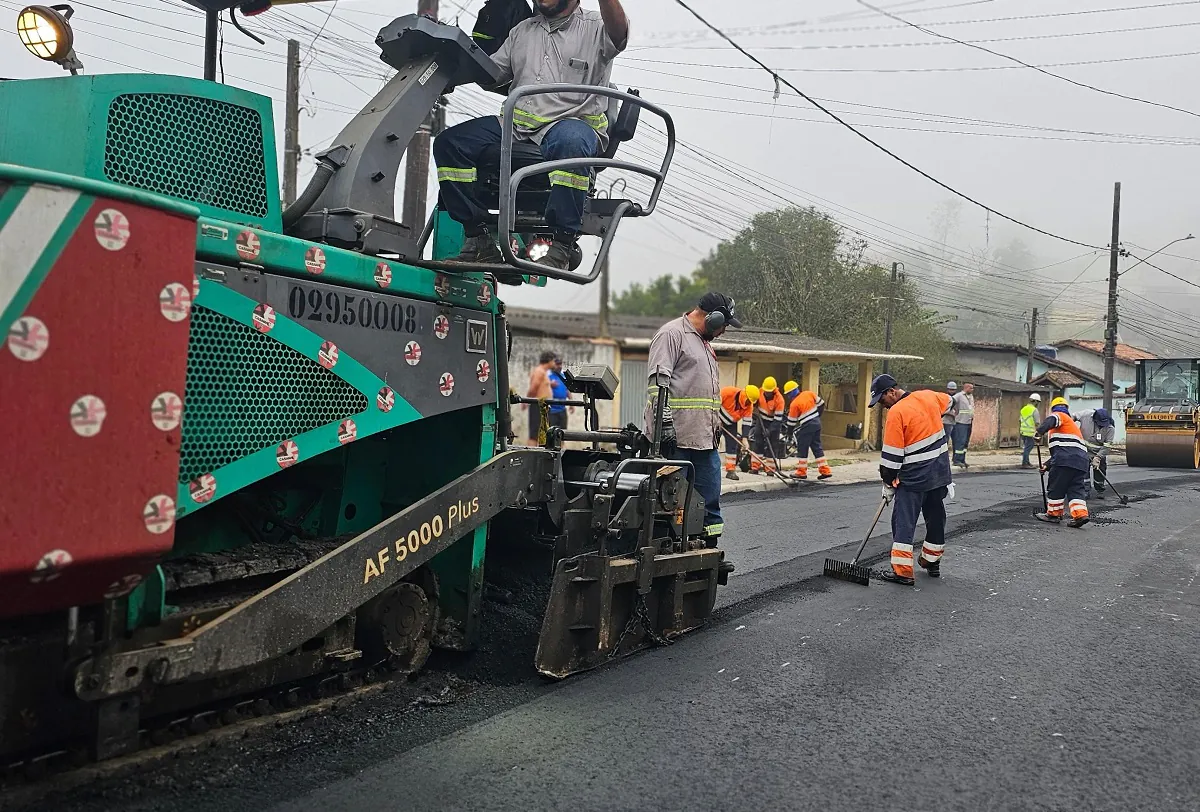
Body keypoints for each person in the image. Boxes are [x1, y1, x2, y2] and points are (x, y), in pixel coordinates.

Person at [433, 0, 630, 270]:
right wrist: (449, 66)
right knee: (450, 144)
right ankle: (479, 240)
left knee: (571, 142)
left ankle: (561, 243)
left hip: (568, 123)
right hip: (515, 127)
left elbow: (619, 34)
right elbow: (492, 74)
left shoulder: (597, 28)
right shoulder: (522, 31)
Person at [645, 293, 743, 545]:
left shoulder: (704, 344)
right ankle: (670, 550)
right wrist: (664, 423)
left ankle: (707, 551)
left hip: (704, 440)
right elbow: (658, 384)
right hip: (675, 440)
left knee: (709, 501)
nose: (723, 331)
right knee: (671, 502)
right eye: (724, 325)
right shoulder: (672, 335)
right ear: (714, 318)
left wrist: (716, 424)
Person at [869, 373, 953, 586]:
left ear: (892, 392)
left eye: (882, 399)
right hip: (940, 472)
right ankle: (932, 561)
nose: (882, 404)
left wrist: (888, 482)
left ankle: (903, 571)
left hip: (915, 478)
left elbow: (891, 457)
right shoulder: (928, 396)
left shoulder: (897, 412)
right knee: (936, 516)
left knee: (903, 521)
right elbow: (950, 401)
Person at [1033, 397, 1090, 528]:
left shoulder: (1060, 416)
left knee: (1056, 486)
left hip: (1065, 461)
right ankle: (1080, 515)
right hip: (1081, 463)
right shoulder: (1071, 426)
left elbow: (1052, 420)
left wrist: (1039, 432)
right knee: (1076, 489)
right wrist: (1047, 465)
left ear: (1053, 409)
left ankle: (1053, 514)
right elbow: (1067, 450)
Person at [785, 388, 832, 480]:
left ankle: (801, 472)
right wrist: (817, 416)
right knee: (817, 447)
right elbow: (822, 404)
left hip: (807, 426)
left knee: (802, 447)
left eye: (788, 394)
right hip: (817, 424)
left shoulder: (794, 404)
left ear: (791, 394)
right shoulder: (808, 393)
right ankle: (825, 471)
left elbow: (791, 422)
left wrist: (789, 433)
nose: (787, 396)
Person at [1073, 406, 1116, 499]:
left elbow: (1107, 446)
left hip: (1099, 453)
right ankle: (1085, 491)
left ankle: (1100, 489)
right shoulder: (1086, 415)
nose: (1101, 425)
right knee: (1084, 471)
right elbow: (1073, 417)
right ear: (1094, 419)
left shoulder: (1110, 428)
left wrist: (1098, 457)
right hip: (1083, 450)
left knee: (1100, 471)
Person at [719, 384, 760, 481]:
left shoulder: (749, 406)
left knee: (732, 446)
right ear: (744, 395)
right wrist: (715, 419)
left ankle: (730, 470)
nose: (748, 403)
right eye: (748, 400)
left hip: (731, 423)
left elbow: (746, 423)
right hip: (717, 420)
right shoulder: (728, 392)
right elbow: (715, 405)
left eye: (750, 402)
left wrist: (745, 439)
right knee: (712, 443)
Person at [750, 376, 786, 474]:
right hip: (761, 420)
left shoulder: (779, 400)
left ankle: (770, 469)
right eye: (765, 390)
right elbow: (753, 401)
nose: (766, 392)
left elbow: (778, 420)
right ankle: (755, 467)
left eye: (769, 391)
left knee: (773, 444)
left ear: (773, 390)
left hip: (774, 423)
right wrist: (754, 403)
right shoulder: (760, 392)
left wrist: (769, 430)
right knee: (758, 442)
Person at [525, 350, 556, 445]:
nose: (554, 363)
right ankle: (530, 455)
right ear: (549, 361)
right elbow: (533, 388)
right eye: (553, 361)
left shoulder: (544, 372)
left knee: (543, 433)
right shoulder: (539, 371)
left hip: (543, 407)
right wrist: (527, 401)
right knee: (534, 433)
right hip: (538, 406)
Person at [951, 381, 975, 469]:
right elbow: (950, 402)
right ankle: (957, 460)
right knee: (960, 442)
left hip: (969, 422)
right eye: (971, 388)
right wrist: (953, 412)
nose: (972, 390)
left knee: (965, 443)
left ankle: (962, 459)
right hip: (961, 422)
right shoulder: (959, 396)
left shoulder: (970, 396)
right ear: (966, 388)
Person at [547, 355, 570, 432]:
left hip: (562, 410)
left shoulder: (564, 377)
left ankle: (562, 444)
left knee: (563, 434)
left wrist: (571, 403)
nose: (559, 366)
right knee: (551, 434)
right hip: (552, 411)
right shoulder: (549, 377)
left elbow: (567, 391)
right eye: (557, 364)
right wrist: (549, 384)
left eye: (560, 364)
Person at [1020, 393, 1042, 469]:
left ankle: (1027, 462)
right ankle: (1024, 463)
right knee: (1028, 448)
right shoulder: (1034, 410)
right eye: (1038, 402)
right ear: (1035, 401)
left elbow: (1020, 420)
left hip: (1023, 432)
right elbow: (1037, 423)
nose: (1038, 404)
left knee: (1026, 447)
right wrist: (1038, 433)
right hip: (1030, 433)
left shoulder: (1023, 409)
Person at [943, 381, 959, 457]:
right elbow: (942, 410)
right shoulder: (945, 398)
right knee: (945, 440)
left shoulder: (957, 398)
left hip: (955, 422)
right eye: (950, 389)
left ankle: (955, 457)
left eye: (953, 390)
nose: (952, 391)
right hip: (946, 422)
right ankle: (945, 456)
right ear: (947, 389)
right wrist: (951, 413)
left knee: (956, 440)